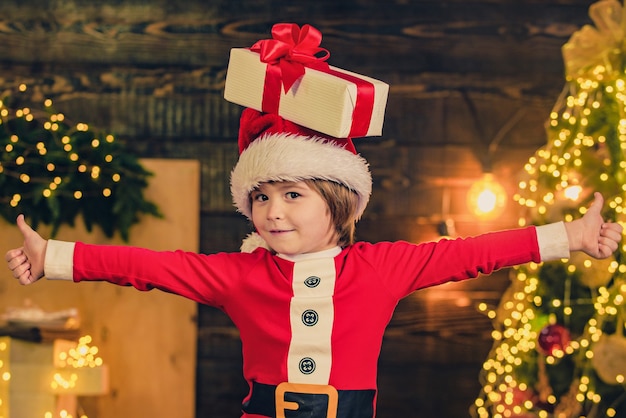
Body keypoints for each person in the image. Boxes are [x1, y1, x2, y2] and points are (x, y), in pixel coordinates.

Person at [5, 108, 623, 418]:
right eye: (262, 197)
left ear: (339, 202)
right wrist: (54, 256)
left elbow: (474, 253)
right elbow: (150, 267)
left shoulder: (382, 268)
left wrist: (569, 235)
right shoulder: (238, 274)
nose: (273, 212)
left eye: (292, 196)